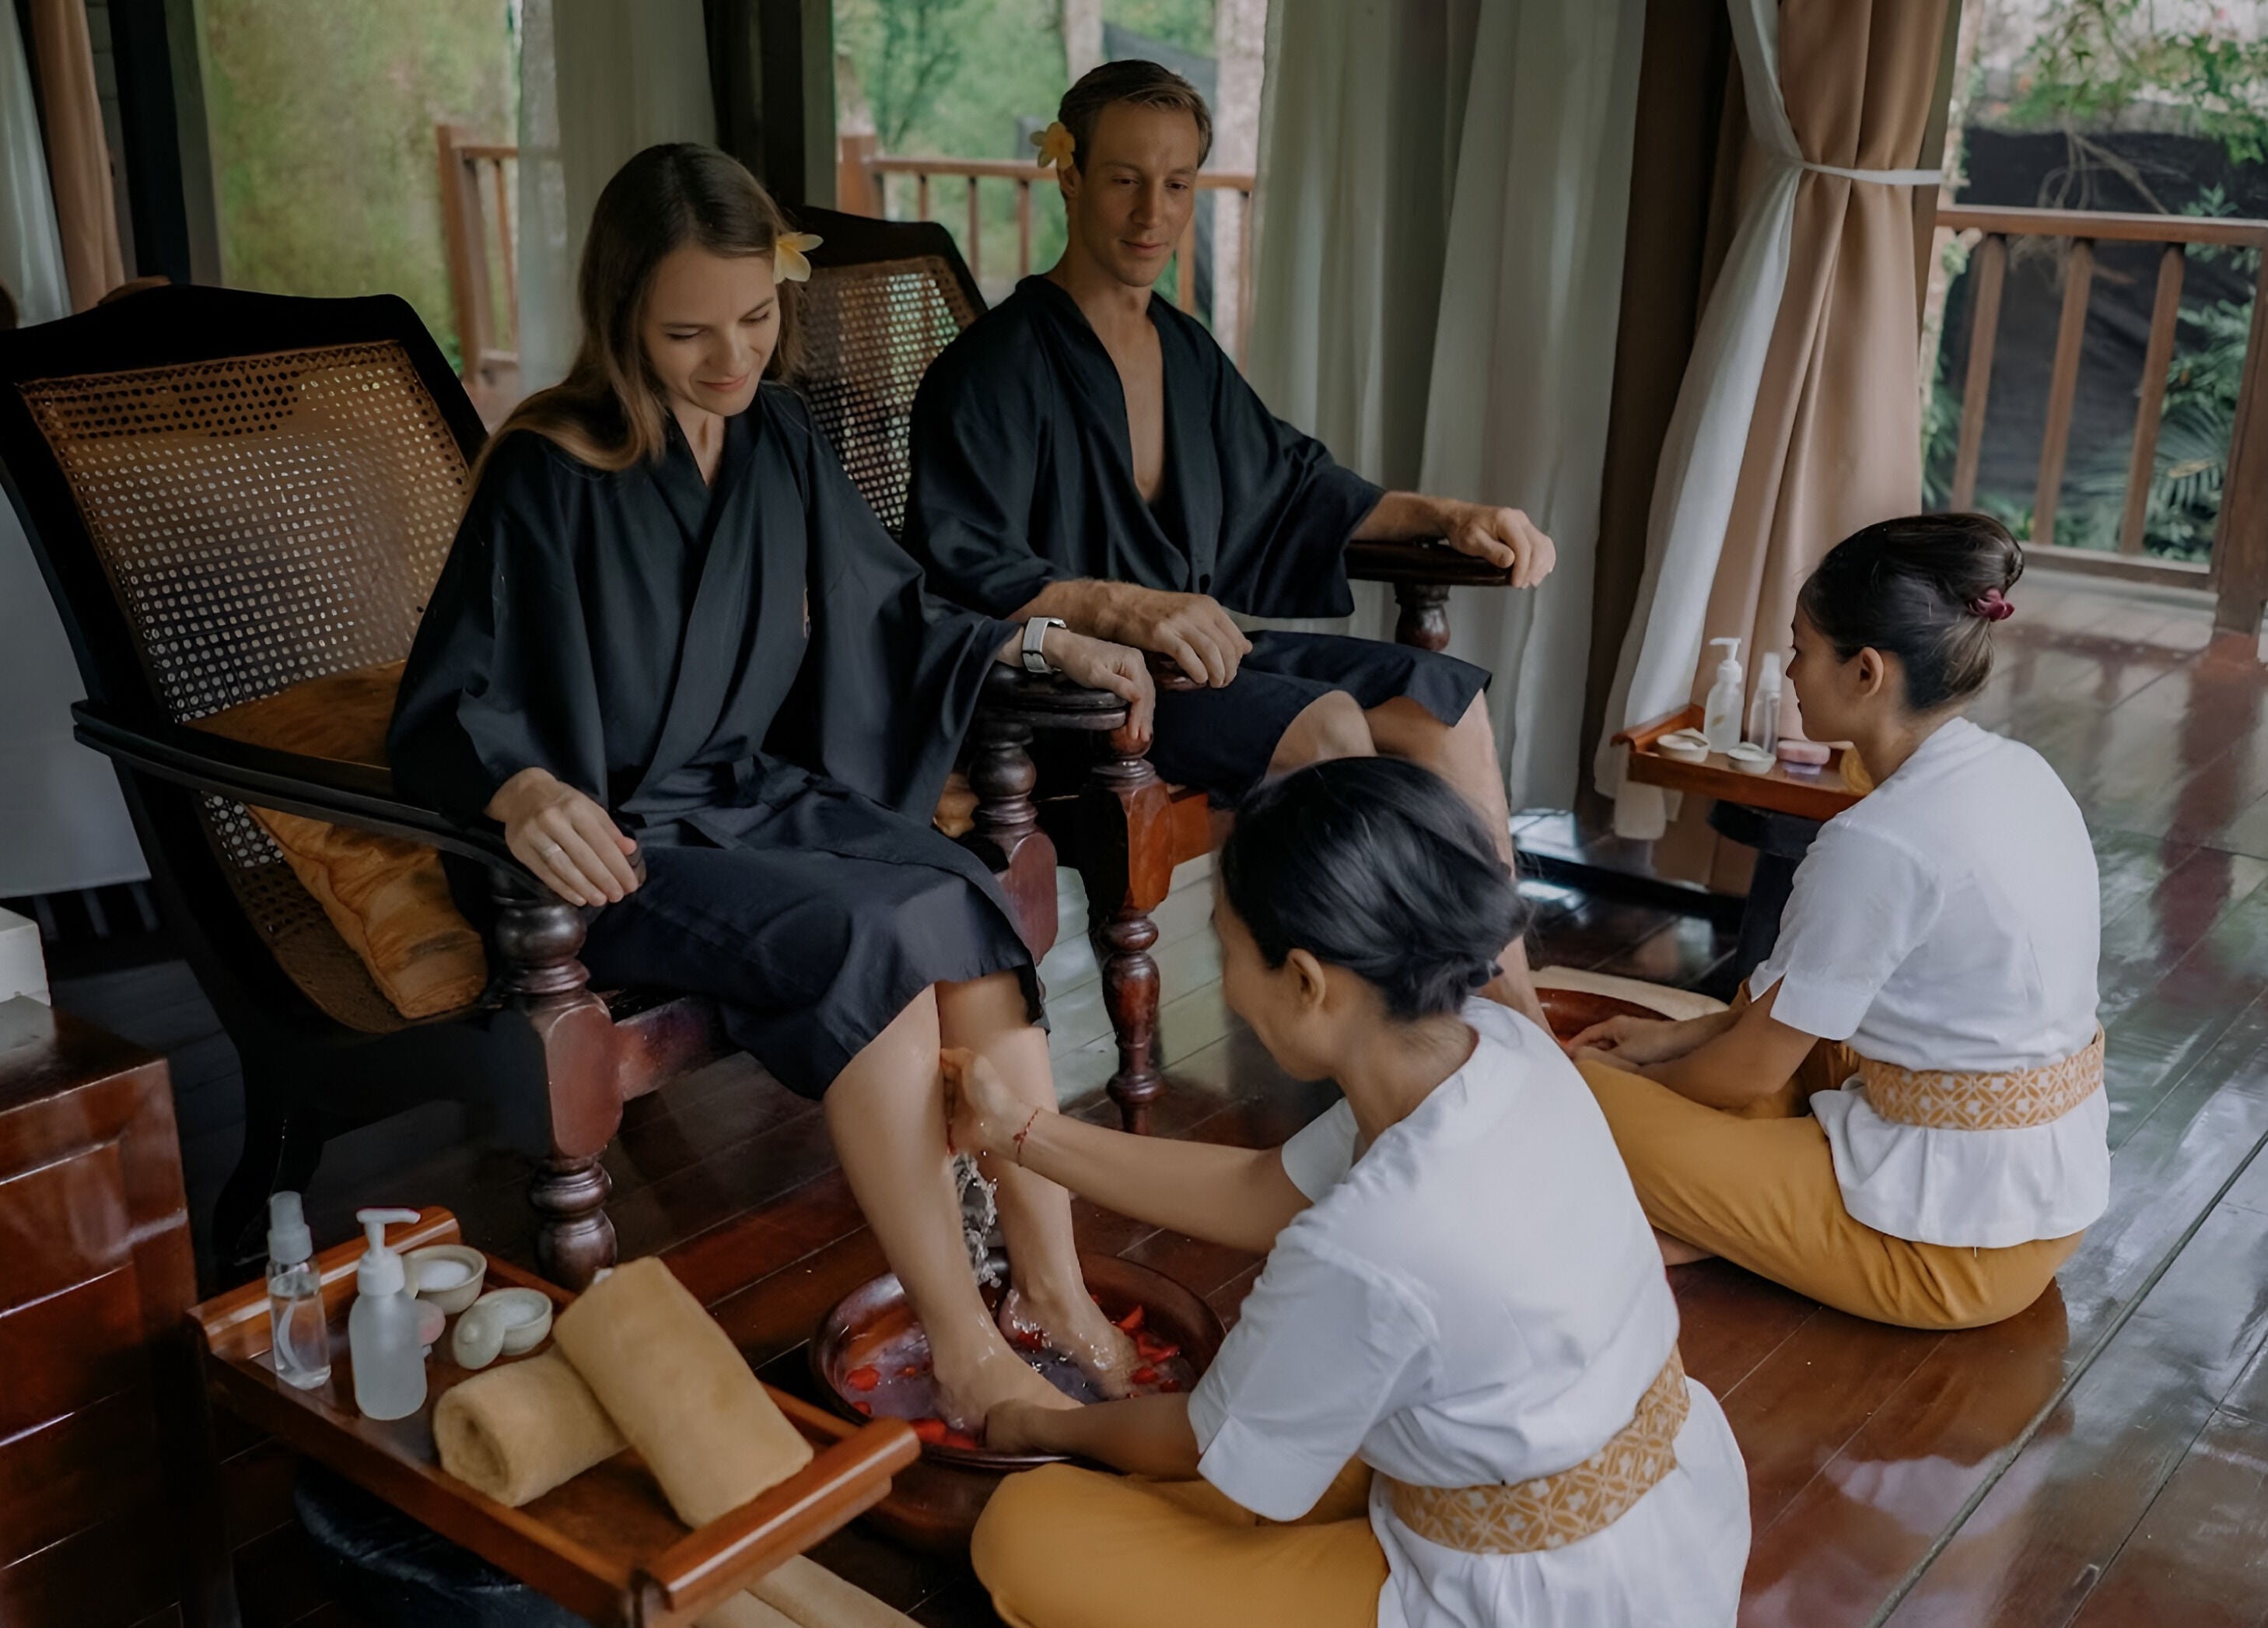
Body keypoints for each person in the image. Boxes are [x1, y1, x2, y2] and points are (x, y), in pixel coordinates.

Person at [388, 144, 1161, 1427]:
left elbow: (894, 606)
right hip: (622, 843)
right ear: (621, 313)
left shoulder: (777, 437)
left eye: (755, 319)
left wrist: (1039, 638)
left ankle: (1053, 1287)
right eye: (690, 332)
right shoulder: (548, 467)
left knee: (960, 896)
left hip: (754, 795)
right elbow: (451, 695)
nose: (732, 359)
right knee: (870, 931)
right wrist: (521, 792)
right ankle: (965, 1343)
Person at [947, 757, 1748, 1628]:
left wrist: (1040, 1422)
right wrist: (1018, 1130)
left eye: (1225, 948)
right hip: (1667, 1519)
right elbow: (1262, 1189)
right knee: (1275, 1440)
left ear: (1305, 980)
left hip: (1530, 1596)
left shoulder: (1375, 1234)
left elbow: (1201, 1444)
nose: (1223, 980)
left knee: (1028, 1534)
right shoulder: (1498, 1048)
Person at [905, 59, 1555, 1026]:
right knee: (1330, 724)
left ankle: (1515, 1012)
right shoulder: (994, 369)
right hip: (1074, 695)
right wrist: (1120, 604)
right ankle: (1387, 1030)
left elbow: (1295, 484)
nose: (1151, 213)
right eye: (1125, 178)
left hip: (1200, 660)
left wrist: (1447, 516)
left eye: (1177, 184)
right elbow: (963, 572)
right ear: (1070, 175)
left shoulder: (1185, 348)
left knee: (1442, 706)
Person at [1571, 514, 2105, 1331]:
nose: (1788, 672)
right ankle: (1709, 1212)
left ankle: (1704, 1212)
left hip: (1950, 1253)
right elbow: (1797, 1009)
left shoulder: (1880, 839)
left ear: (1865, 671)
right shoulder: (2018, 771)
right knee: (1776, 1005)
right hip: (2036, 1197)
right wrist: (1671, 1039)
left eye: (1800, 648)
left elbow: (1751, 1069)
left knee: (1563, 1093)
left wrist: (1643, 1092)